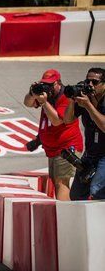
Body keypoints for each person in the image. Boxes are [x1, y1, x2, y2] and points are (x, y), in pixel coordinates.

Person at [24, 69, 83, 201]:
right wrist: (32, 93)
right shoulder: (46, 95)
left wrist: (44, 103)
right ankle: (63, 213)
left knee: (62, 183)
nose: (47, 87)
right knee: (57, 182)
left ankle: (65, 216)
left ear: (58, 83)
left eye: (50, 84)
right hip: (53, 149)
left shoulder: (66, 97)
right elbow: (28, 103)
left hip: (67, 147)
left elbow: (57, 121)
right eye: (45, 84)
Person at [64, 67, 105, 200]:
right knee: (76, 195)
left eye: (95, 82)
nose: (90, 85)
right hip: (90, 154)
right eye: (88, 81)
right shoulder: (85, 98)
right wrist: (71, 100)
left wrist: (88, 106)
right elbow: (67, 119)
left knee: (96, 190)